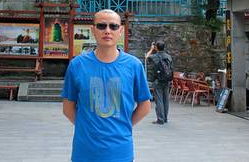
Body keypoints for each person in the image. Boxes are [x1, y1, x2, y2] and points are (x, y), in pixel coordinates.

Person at [61, 9, 151, 162]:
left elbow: (145, 105)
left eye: (113, 26)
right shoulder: (77, 65)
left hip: (120, 153)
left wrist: (124, 126)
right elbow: (68, 108)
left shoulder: (134, 66)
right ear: (93, 30)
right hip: (85, 152)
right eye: (101, 26)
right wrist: (87, 128)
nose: (107, 31)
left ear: (120, 31)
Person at [146, 40, 173, 125]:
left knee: (159, 100)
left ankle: (160, 119)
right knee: (166, 99)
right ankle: (165, 118)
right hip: (167, 80)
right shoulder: (168, 57)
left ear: (156, 47)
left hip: (158, 81)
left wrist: (151, 49)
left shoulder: (155, 56)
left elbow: (147, 57)